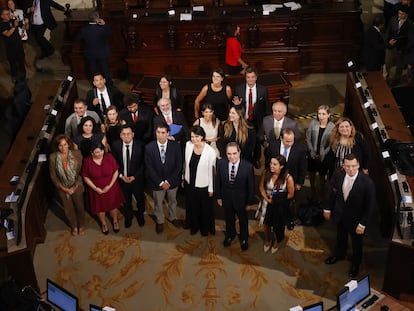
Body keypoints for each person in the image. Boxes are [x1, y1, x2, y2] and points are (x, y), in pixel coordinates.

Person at [324, 154, 376, 278]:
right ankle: (339, 254)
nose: (351, 169)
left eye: (353, 166)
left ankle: (355, 264)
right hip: (340, 214)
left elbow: (370, 205)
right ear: (343, 166)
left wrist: (363, 223)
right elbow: (330, 192)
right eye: (347, 166)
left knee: (356, 243)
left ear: (358, 165)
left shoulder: (367, 182)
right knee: (340, 237)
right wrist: (327, 208)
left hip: (356, 219)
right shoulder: (338, 175)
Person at [216, 142, 255, 251]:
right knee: (229, 219)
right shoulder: (221, 163)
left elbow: (251, 187)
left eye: (234, 153)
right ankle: (230, 235)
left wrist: (249, 203)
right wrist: (218, 197)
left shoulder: (248, 167)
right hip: (226, 198)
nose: (232, 157)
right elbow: (218, 181)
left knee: (243, 220)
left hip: (242, 200)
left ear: (239, 152)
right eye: (229, 154)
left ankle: (244, 238)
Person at [266, 128, 307, 230]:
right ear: (281, 138)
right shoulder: (272, 146)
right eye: (287, 141)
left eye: (292, 140)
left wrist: (299, 183)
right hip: (275, 179)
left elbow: (303, 167)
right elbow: (267, 161)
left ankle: (290, 220)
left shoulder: (300, 149)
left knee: (290, 201)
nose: (290, 143)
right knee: (275, 200)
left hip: (291, 180)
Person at [145, 124, 183, 234]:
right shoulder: (149, 147)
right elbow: (149, 167)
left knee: (173, 201)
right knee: (158, 203)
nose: (160, 135)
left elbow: (178, 165)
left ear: (167, 133)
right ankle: (160, 220)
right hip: (157, 182)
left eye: (163, 133)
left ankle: (172, 217)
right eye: (158, 132)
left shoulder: (175, 146)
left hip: (172, 181)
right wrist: (161, 182)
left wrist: (169, 181)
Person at [82, 142, 125, 235]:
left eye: (101, 151)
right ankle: (104, 223)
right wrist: (96, 188)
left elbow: (116, 171)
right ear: (91, 153)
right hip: (96, 189)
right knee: (100, 208)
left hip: (111, 187)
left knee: (113, 205)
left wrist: (110, 185)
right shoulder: (87, 161)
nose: (100, 153)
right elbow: (85, 177)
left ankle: (115, 221)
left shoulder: (109, 157)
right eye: (97, 152)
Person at [232, 67, 270, 168]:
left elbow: (266, 107)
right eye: (248, 77)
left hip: (257, 120)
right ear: (245, 78)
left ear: (256, 77)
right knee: (245, 139)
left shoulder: (263, 89)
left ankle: (256, 159)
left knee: (257, 140)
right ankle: (246, 158)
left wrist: (266, 122)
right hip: (244, 119)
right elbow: (236, 106)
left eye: (252, 77)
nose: (250, 79)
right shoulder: (238, 89)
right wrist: (237, 105)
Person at [49, 134, 86, 236]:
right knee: (68, 208)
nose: (63, 147)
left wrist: (75, 186)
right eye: (60, 145)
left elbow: (82, 173)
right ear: (57, 147)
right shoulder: (53, 157)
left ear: (69, 145)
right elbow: (53, 176)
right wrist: (64, 188)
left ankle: (81, 225)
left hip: (76, 185)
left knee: (79, 206)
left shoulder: (77, 154)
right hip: (62, 187)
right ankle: (73, 226)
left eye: (65, 145)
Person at [183, 126, 217, 236]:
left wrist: (211, 188)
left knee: (204, 208)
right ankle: (194, 225)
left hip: (203, 185)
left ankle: (204, 228)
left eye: (196, 136)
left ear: (202, 136)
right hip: (190, 182)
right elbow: (185, 164)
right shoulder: (188, 145)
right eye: (192, 137)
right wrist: (183, 177)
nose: (194, 139)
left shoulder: (210, 151)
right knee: (192, 205)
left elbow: (211, 172)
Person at [111, 125, 146, 228]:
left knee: (140, 200)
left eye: (128, 134)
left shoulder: (141, 146)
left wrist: (134, 176)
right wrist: (121, 176)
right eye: (124, 134)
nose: (126, 136)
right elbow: (114, 163)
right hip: (122, 179)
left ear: (133, 135)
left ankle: (140, 216)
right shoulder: (116, 145)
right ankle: (128, 216)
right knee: (126, 200)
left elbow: (144, 164)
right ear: (120, 135)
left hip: (137, 179)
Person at [259, 155, 294, 254]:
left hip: (279, 205)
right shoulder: (266, 173)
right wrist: (268, 199)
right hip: (266, 202)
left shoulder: (288, 178)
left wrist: (277, 199)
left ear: (281, 166)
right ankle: (268, 239)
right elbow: (261, 188)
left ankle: (277, 242)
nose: (271, 166)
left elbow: (291, 194)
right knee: (266, 225)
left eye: (274, 164)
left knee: (277, 225)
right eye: (271, 163)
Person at [305, 105, 335, 203]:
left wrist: (322, 154)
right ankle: (313, 191)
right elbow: (308, 138)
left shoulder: (332, 127)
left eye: (323, 114)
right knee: (312, 175)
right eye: (319, 114)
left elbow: (331, 144)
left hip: (324, 156)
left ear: (328, 115)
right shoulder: (313, 123)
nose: (321, 116)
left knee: (322, 177)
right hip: (312, 154)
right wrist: (312, 151)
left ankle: (322, 194)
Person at [75, 11, 112, 83]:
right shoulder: (102, 29)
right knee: (105, 69)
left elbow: (77, 38)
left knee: (93, 69)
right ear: (98, 18)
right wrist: (104, 25)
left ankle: (95, 84)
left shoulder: (83, 30)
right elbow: (110, 33)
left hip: (90, 53)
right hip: (102, 53)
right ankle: (108, 83)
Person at [385, 4, 412, 85]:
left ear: (406, 14)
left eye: (402, 14)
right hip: (390, 46)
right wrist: (388, 42)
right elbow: (388, 31)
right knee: (387, 63)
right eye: (399, 13)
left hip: (401, 48)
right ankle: (386, 79)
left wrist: (404, 49)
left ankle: (396, 80)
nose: (400, 15)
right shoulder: (393, 19)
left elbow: (410, 39)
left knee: (399, 66)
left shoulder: (409, 24)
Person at [0, 8, 26, 80]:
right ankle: (15, 77)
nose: (9, 15)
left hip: (19, 44)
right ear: (2, 16)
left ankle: (23, 75)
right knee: (13, 62)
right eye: (7, 14)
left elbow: (23, 25)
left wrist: (23, 27)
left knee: (21, 60)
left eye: (9, 13)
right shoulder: (1, 25)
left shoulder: (13, 20)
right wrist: (14, 27)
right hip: (11, 47)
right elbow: (7, 34)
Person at [7, 0, 30, 69]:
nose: (10, 5)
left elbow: (24, 21)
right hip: (13, 34)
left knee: (24, 48)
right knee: (15, 50)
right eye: (9, 4)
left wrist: (26, 23)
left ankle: (26, 61)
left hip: (22, 32)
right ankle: (18, 63)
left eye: (11, 3)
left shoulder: (20, 11)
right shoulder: (7, 13)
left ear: (14, 4)